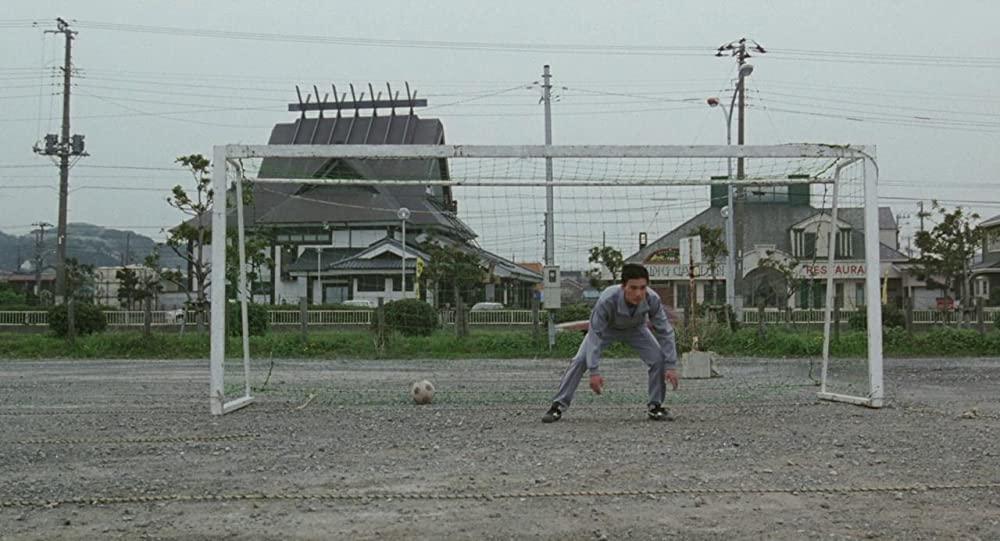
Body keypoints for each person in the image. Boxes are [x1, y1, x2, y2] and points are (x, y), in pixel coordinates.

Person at [542, 263, 679, 423]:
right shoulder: (607, 299)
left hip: (636, 329)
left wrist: (671, 365)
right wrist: (594, 371)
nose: (638, 293)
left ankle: (655, 406)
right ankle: (558, 405)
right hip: (607, 329)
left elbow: (665, 331)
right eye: (633, 288)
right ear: (623, 286)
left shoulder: (652, 299)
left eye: (642, 288)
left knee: (658, 360)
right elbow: (594, 335)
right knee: (580, 360)